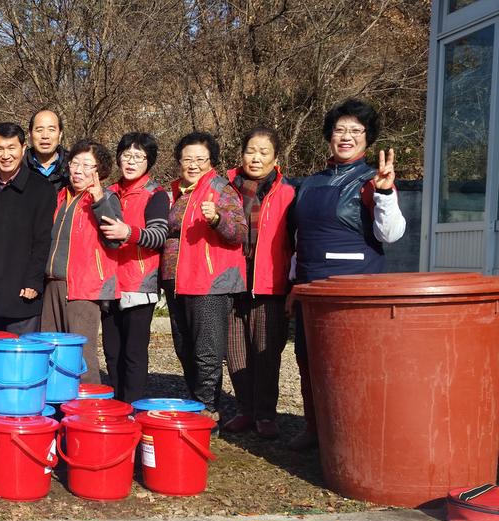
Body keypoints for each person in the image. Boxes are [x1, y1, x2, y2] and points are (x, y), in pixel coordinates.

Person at [288, 99, 406, 450]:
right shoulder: (309, 183)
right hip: (311, 286)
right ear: (329, 135)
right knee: (308, 358)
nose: (346, 137)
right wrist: (294, 285)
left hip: (355, 287)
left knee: (353, 363)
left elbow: (392, 234)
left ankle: (357, 432)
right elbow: (298, 240)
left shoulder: (374, 179)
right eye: (340, 129)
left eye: (355, 131)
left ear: (367, 138)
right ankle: (314, 427)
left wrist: (384, 193)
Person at [161, 132, 247, 425]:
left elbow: (240, 233)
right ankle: (195, 404)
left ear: (211, 161)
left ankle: (207, 411)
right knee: (184, 347)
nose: (193, 164)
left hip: (208, 281)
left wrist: (216, 219)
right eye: (188, 159)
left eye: (200, 159)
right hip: (175, 282)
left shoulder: (220, 188)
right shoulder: (173, 190)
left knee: (207, 349)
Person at [221, 128, 296, 440]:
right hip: (233, 281)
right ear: (242, 154)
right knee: (236, 350)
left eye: (264, 152)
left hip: (269, 283)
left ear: (276, 158)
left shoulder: (287, 193)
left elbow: (294, 241)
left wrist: (293, 284)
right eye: (251, 150)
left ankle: (266, 414)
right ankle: (244, 410)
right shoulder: (226, 188)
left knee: (266, 352)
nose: (256, 157)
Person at [0, 122, 57, 334]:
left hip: (20, 290)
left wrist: (33, 281)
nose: (5, 155)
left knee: (18, 356)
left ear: (23, 149)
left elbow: (43, 240)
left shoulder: (41, 188)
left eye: (11, 148)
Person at [41, 139, 122, 384]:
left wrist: (99, 200)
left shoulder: (107, 198)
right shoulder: (61, 197)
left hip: (83, 288)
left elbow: (114, 240)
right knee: (50, 350)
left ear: (100, 171)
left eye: (87, 165)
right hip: (53, 283)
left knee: (81, 356)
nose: (78, 170)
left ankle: (90, 413)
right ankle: (58, 410)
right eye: (75, 163)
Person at [99, 132, 170, 403]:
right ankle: (117, 405)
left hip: (140, 283)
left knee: (134, 352)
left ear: (148, 162)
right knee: (111, 351)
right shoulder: (107, 193)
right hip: (108, 282)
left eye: (139, 157)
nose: (131, 161)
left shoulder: (156, 194)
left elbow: (159, 235)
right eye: (126, 155)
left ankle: (132, 406)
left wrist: (128, 232)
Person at [24, 109, 69, 192]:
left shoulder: (73, 166)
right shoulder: (17, 167)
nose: (45, 136)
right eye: (39, 130)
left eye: (51, 130)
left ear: (60, 134)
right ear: (30, 134)